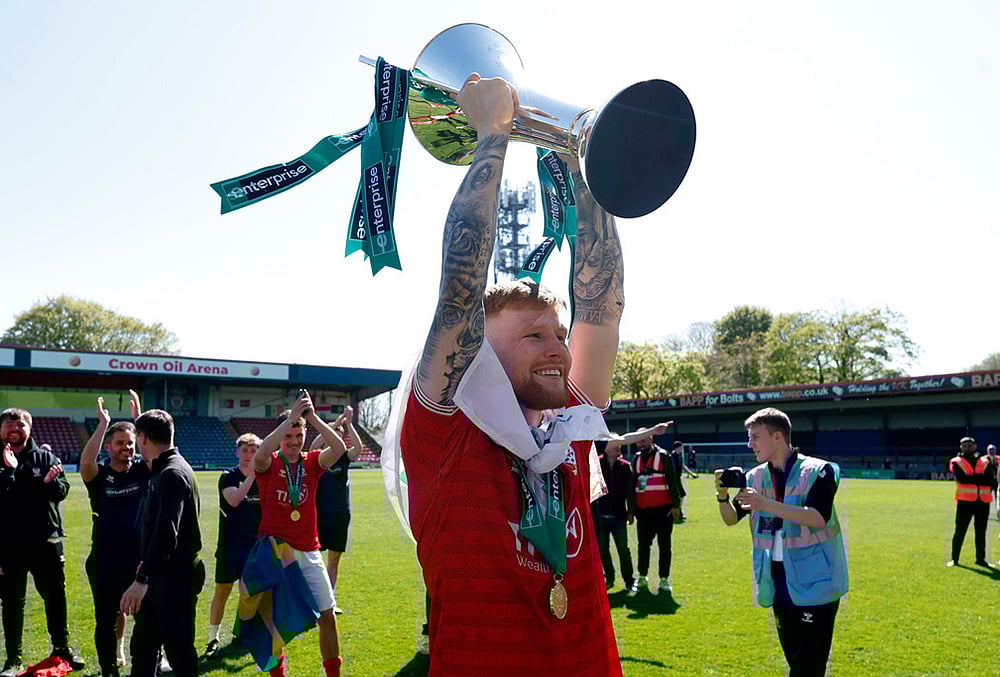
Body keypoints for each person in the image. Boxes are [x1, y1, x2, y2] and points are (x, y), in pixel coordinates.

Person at [398, 73, 624, 675]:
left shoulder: (567, 420)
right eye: (533, 336)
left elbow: (601, 303)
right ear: (480, 356)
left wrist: (583, 160)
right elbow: (459, 289)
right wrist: (492, 137)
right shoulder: (444, 428)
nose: (558, 348)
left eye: (556, 333)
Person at [716, 407, 848, 677]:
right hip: (777, 581)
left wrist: (765, 504)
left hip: (816, 581)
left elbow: (817, 518)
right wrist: (721, 497)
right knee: (796, 660)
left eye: (755, 437)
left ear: (777, 437)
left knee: (808, 666)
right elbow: (732, 519)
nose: (749, 444)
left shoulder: (818, 471)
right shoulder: (754, 476)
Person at [252, 391, 350, 677]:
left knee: (328, 615)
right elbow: (260, 454)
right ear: (281, 436)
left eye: (299, 436)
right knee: (274, 623)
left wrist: (313, 418)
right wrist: (290, 419)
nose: (294, 442)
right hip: (275, 551)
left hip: (309, 550)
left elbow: (340, 447)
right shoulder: (269, 463)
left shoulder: (312, 462)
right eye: (289, 437)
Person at [120, 405, 205, 677]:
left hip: (172, 580)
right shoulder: (164, 468)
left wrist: (141, 579)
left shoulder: (172, 473)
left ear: (142, 438)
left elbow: (168, 534)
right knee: (144, 649)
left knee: (180, 654)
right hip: (160, 576)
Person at [0, 408, 85, 676]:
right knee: (12, 601)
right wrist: (10, 472)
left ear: (30, 428)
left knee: (55, 597)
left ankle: (61, 649)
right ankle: (13, 659)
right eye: (9, 424)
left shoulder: (45, 457)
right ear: (1, 429)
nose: (15, 428)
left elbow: (62, 490)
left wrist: (50, 483)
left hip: (45, 541)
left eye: (21, 424)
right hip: (8, 544)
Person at [81, 395, 149, 677]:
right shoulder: (100, 476)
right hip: (105, 561)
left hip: (139, 563)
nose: (126, 447)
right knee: (106, 619)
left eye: (130, 442)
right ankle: (109, 668)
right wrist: (104, 424)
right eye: (120, 443)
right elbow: (86, 462)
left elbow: (154, 453)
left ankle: (145, 666)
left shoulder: (144, 472)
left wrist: (140, 419)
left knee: (146, 620)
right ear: (109, 446)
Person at [592, 421, 671, 595]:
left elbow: (630, 491)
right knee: (602, 549)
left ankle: (629, 580)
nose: (618, 445)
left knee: (623, 549)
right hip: (600, 514)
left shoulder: (626, 466)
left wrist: (630, 512)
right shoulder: (595, 462)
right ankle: (609, 578)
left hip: (620, 515)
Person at [204, 433, 262, 660]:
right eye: (245, 451)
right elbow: (235, 500)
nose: (249, 455)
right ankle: (212, 638)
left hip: (253, 546)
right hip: (229, 547)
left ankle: (241, 633)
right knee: (222, 592)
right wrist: (253, 477)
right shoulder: (227, 477)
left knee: (248, 594)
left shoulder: (263, 479)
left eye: (253, 451)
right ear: (237, 452)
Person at [313, 407, 363, 615]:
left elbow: (358, 449)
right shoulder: (318, 457)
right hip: (317, 514)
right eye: (333, 435)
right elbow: (314, 444)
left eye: (339, 435)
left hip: (340, 513)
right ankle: (314, 599)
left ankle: (330, 601)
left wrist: (348, 424)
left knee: (333, 560)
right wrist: (333, 426)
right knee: (313, 560)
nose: (337, 437)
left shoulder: (344, 457)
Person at [631, 426, 682, 595]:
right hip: (643, 512)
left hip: (663, 511)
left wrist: (676, 506)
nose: (640, 444)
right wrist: (632, 510)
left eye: (643, 440)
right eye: (638, 441)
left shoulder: (664, 456)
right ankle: (643, 577)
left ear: (652, 438)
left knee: (664, 546)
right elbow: (632, 487)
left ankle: (664, 579)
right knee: (643, 546)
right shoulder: (636, 459)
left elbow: (673, 482)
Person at [946, 436, 995, 567]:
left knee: (981, 532)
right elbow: (961, 479)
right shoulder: (956, 461)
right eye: (964, 445)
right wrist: (980, 478)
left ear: (975, 446)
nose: (967, 447)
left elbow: (991, 480)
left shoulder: (985, 461)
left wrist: (973, 478)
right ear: (961, 447)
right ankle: (954, 559)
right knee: (960, 531)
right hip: (965, 502)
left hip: (982, 502)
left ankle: (981, 559)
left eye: (970, 445)